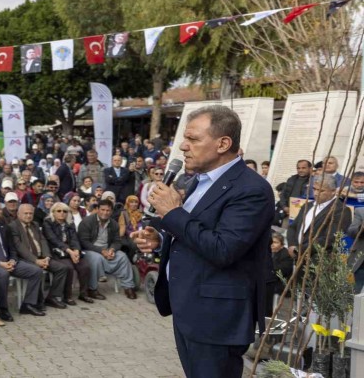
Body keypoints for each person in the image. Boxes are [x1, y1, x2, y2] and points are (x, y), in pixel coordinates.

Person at [132, 105, 275, 378]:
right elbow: (195, 234)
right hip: (190, 309)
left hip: (217, 319)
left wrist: (173, 213)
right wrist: (161, 237)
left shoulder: (252, 189)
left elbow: (224, 249)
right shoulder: (199, 181)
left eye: (193, 139)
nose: (183, 147)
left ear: (223, 143)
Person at [0, 202, 45, 319]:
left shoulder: (4, 226)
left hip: (9, 261)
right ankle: (3, 309)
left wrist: (13, 260)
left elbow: (12, 247)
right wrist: (0, 263)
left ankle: (28, 304)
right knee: (3, 274)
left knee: (36, 271)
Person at [9, 204, 71, 309]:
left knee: (62, 268)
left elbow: (43, 241)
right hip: (25, 259)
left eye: (31, 213)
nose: (28, 216)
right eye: (26, 213)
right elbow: (19, 247)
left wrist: (47, 256)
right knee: (36, 270)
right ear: (18, 214)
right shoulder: (13, 226)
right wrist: (35, 260)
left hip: (41, 257)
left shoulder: (35, 224)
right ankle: (37, 301)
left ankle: (52, 297)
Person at [77, 199, 137, 299]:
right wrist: (101, 251)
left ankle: (128, 287)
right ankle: (92, 289)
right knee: (96, 258)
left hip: (107, 249)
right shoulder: (87, 222)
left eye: (108, 210)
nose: (105, 213)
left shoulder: (113, 224)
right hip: (89, 250)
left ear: (111, 211)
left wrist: (112, 249)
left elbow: (117, 241)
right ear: (97, 209)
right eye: (102, 210)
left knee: (122, 256)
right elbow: (84, 242)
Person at [287, 174, 351, 259]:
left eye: (321, 191)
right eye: (314, 189)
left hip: (318, 260)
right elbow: (293, 227)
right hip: (297, 256)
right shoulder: (308, 205)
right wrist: (292, 246)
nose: (316, 193)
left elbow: (330, 238)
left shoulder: (341, 210)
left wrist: (299, 250)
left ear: (333, 191)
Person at [42, 202, 94, 304]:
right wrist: (69, 251)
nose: (62, 213)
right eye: (59, 211)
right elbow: (53, 240)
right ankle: (67, 296)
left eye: (65, 211)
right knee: (69, 267)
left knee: (85, 266)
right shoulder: (47, 223)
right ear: (53, 212)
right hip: (56, 252)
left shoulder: (69, 223)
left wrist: (76, 251)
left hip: (71, 251)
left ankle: (83, 294)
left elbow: (75, 239)